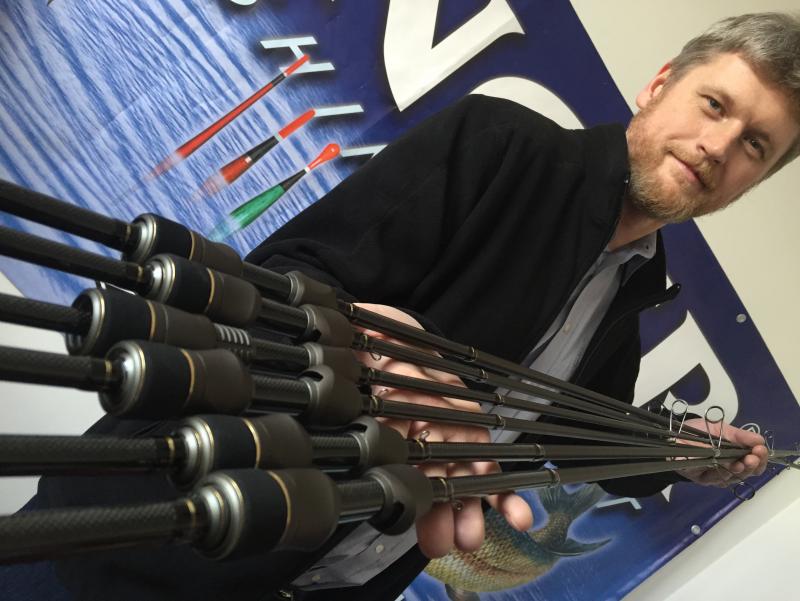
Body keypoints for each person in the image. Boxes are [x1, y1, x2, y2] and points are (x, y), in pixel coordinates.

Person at [30, 11, 797, 601]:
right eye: (714, 104)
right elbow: (281, 276)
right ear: (659, 85)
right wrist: (367, 337)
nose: (718, 145)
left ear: (752, 182)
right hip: (138, 540)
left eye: (755, 145)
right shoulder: (502, 142)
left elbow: (589, 439)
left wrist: (682, 454)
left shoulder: (633, 292)